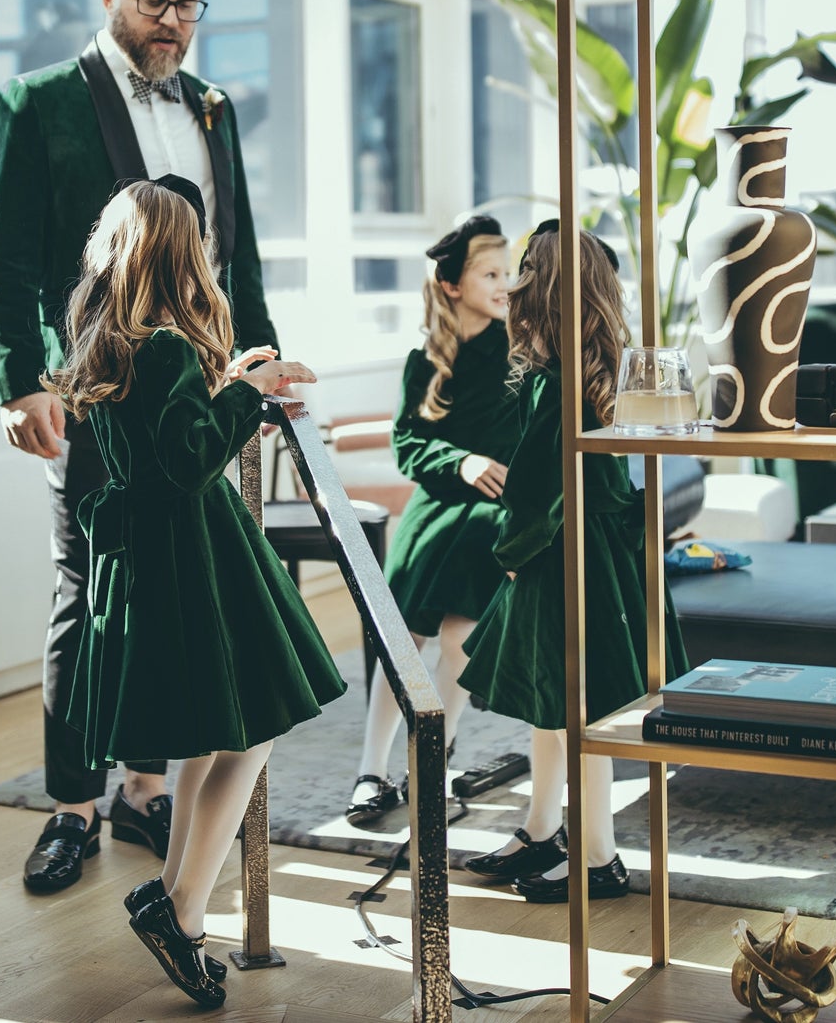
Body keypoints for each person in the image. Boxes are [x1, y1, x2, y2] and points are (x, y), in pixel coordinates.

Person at [0, 0, 281, 895]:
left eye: (189, 5)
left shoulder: (211, 107)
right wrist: (18, 381)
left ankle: (144, 788)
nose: (173, 23)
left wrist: (262, 364)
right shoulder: (35, 103)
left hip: (200, 390)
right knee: (88, 590)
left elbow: (237, 250)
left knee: (174, 593)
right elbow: (4, 261)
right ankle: (71, 804)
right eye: (154, 1)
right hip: (94, 392)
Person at [48, 177, 343, 1009]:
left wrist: (229, 384)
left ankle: (177, 903)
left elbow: (160, 440)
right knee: (244, 738)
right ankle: (180, 907)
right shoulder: (169, 348)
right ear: (182, 255)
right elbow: (188, 462)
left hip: (151, 557)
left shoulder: (105, 344)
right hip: (194, 557)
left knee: (206, 738)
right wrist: (252, 390)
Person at [456, 221, 689, 903]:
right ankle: (541, 830)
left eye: (525, 268)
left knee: (573, 710)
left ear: (544, 288)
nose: (515, 281)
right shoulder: (591, 367)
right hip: (598, 550)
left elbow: (537, 489)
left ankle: (597, 860)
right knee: (555, 707)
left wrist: (509, 555)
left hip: (567, 558)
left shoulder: (556, 380)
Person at [346, 215, 520, 824]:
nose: (506, 284)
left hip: (495, 516)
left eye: (509, 272)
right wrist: (462, 460)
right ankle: (372, 767)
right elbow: (408, 445)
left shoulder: (522, 353)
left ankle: (433, 765)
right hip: (438, 506)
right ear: (451, 284)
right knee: (404, 638)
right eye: (490, 273)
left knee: (458, 639)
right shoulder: (425, 360)